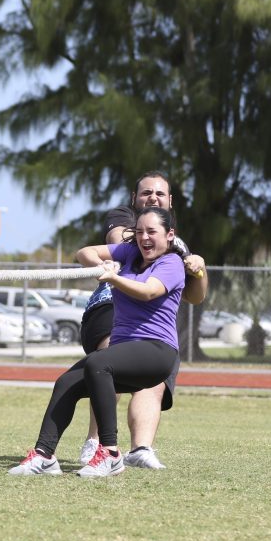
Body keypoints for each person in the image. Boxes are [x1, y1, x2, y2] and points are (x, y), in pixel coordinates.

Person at [10, 206, 184, 478]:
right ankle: (44, 455)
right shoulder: (129, 252)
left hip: (157, 352)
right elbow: (85, 252)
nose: (144, 238)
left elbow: (148, 291)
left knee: (98, 363)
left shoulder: (171, 263)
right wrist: (101, 265)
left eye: (152, 231)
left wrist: (114, 277)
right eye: (139, 232)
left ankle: (110, 453)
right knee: (67, 382)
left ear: (169, 235)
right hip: (123, 350)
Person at [77, 172, 207, 470]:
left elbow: (195, 296)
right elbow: (118, 240)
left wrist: (199, 268)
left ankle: (140, 448)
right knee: (112, 358)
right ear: (134, 198)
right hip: (110, 306)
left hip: (150, 318)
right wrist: (114, 261)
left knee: (153, 374)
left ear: (170, 200)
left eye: (160, 194)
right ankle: (97, 442)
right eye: (146, 192)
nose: (153, 198)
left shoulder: (173, 240)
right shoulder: (125, 221)